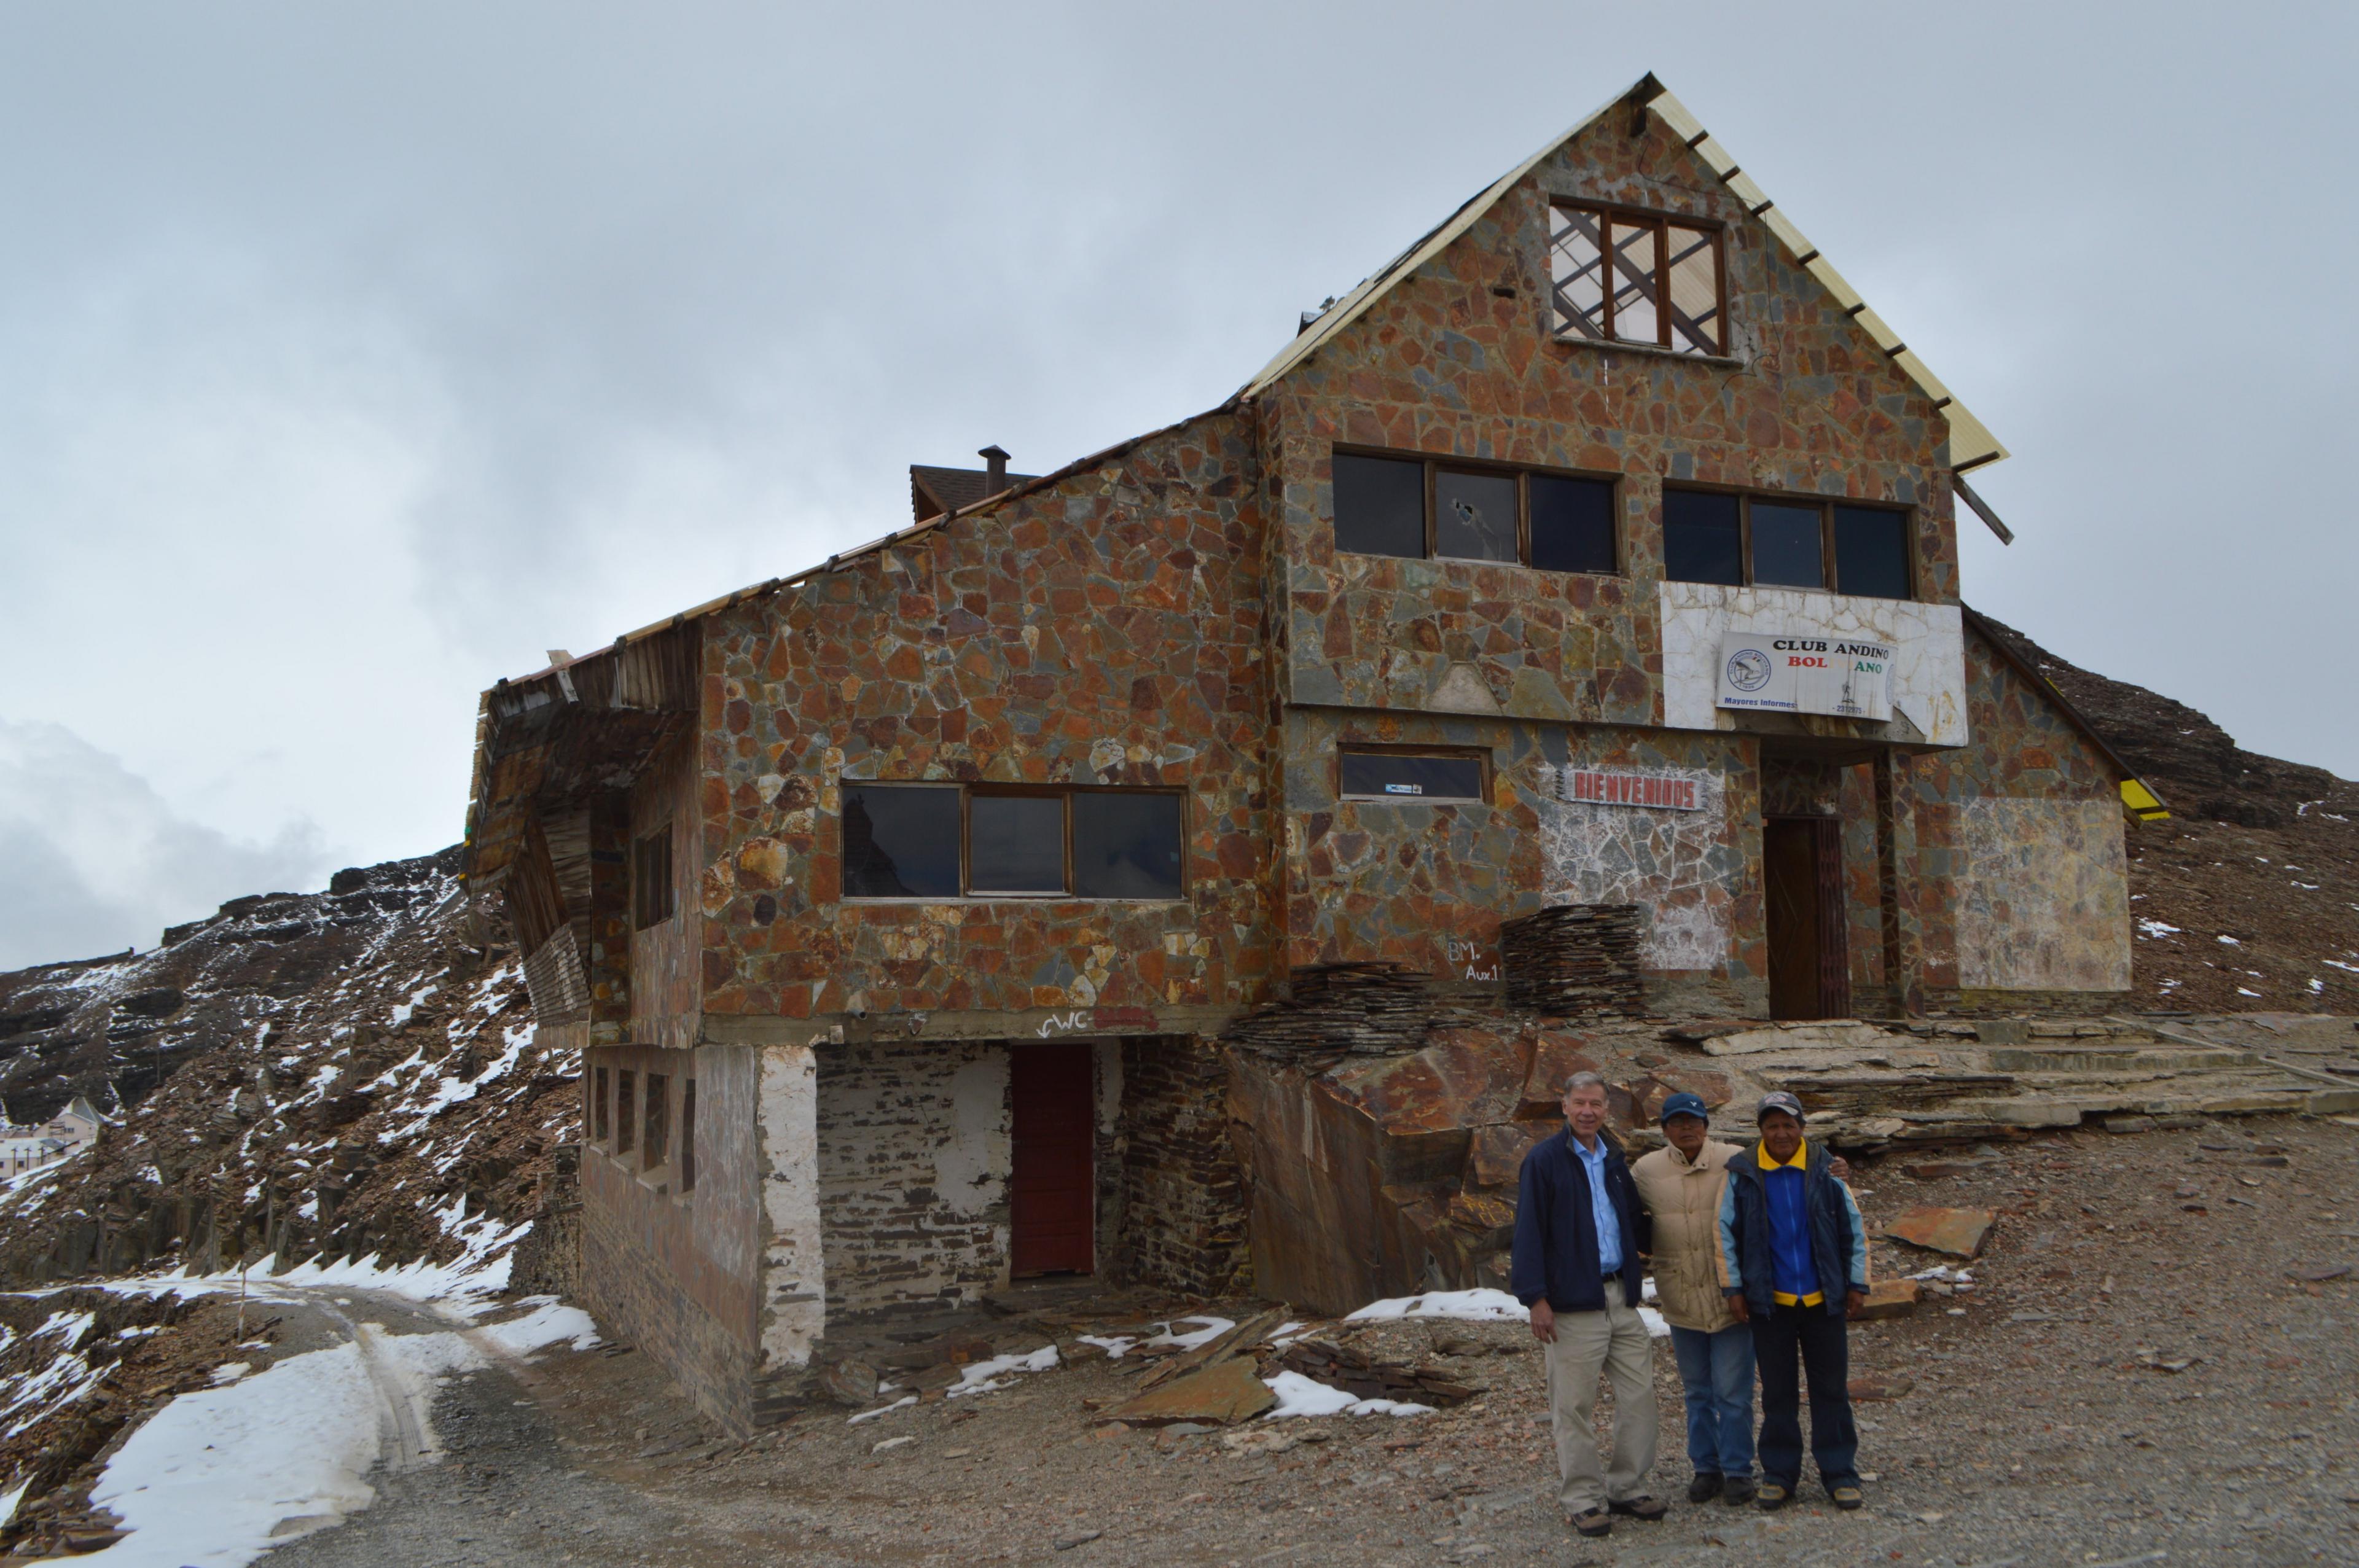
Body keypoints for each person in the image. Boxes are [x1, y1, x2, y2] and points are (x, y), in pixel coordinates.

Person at [1510, 1071, 1669, 1539]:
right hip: (1570, 1306)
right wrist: (1534, 1298)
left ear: (1606, 1109)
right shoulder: (1543, 1161)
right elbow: (1528, 1233)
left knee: (1639, 1396)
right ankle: (1583, 1498)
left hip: (1620, 1297)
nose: (1588, 1111)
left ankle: (1627, 1486)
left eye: (1596, 1103)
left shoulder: (1615, 1160)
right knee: (1573, 1406)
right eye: (1579, 1102)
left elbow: (1635, 1224)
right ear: (1564, 1106)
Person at [1717, 1090, 1869, 1512]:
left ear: (1802, 1127)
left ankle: (1840, 1472)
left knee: (1831, 1391)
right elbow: (1725, 1234)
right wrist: (1734, 1289)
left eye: (1788, 1124)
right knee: (1778, 1394)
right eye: (1772, 1125)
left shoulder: (1826, 1170)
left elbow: (1853, 1231)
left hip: (1824, 1301)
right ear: (1761, 1130)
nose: (1781, 1132)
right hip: (1771, 1304)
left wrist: (1857, 1283)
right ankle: (1780, 1474)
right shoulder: (1744, 1173)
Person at [1628, 1091, 1758, 1507]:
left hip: (1730, 1295)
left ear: (1707, 1124)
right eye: (1677, 1122)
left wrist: (1834, 1167)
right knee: (1698, 1391)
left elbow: (1787, 1168)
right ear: (1665, 1129)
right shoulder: (1646, 1169)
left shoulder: (1736, 1157)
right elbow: (1620, 1212)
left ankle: (1739, 1470)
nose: (1687, 1128)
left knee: (1733, 1392)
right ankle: (1706, 1468)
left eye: (1694, 1121)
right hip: (1680, 1294)